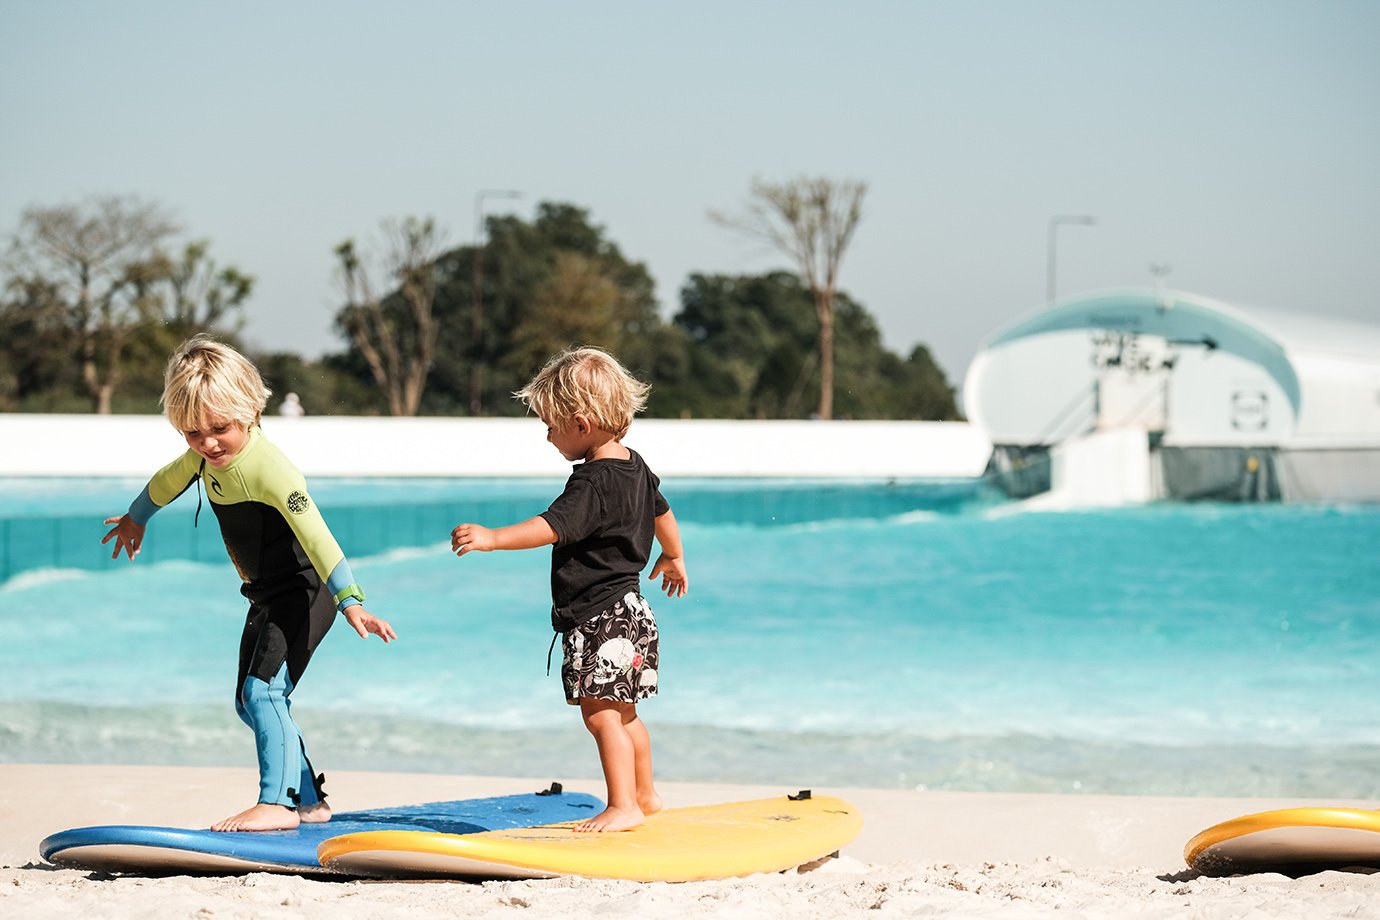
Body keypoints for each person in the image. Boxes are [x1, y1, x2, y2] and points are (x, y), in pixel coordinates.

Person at [101, 336, 396, 832]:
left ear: (252, 410)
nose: (208, 443)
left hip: (306, 591)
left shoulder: (271, 469)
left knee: (264, 694)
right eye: (193, 433)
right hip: (265, 595)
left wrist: (351, 601)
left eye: (220, 429)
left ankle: (275, 804)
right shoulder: (200, 459)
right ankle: (308, 800)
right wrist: (136, 518)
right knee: (249, 701)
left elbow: (318, 536)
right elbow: (164, 483)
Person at [450, 346, 688, 833]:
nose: (548, 436)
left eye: (551, 426)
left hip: (601, 618)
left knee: (601, 717)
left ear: (581, 424)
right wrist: (674, 556)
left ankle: (623, 805)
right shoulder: (636, 466)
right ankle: (644, 794)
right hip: (633, 611)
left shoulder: (592, 483)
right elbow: (662, 513)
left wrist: (494, 538)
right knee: (624, 715)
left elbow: (550, 526)